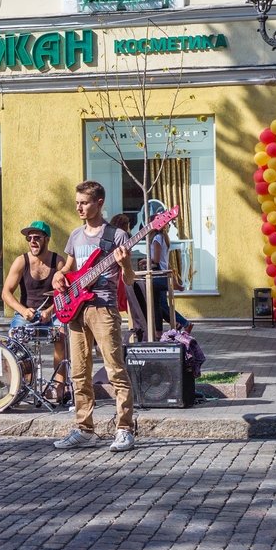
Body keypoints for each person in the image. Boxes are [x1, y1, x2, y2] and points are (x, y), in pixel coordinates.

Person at [53, 181, 137, 452]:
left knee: (115, 370)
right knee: (79, 372)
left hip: (104, 307)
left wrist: (124, 263)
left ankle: (124, 429)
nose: (79, 207)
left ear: (99, 202)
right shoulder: (76, 236)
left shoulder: (118, 236)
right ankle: (84, 428)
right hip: (76, 309)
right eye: (77, 202)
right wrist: (59, 276)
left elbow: (130, 279)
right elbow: (68, 269)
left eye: (85, 202)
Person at [1, 220, 68, 398]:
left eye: (37, 237)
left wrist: (51, 311)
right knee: (14, 340)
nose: (32, 241)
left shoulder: (58, 262)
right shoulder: (21, 261)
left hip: (51, 313)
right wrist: (23, 310)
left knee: (62, 333)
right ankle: (20, 385)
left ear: (47, 239)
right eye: (29, 238)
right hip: (27, 312)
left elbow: (67, 294)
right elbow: (6, 293)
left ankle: (59, 386)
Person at [134, 205, 189, 333]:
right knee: (160, 304)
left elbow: (157, 260)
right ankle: (179, 325)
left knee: (158, 305)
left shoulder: (157, 239)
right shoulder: (162, 238)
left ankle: (179, 324)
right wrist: (176, 282)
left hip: (158, 276)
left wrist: (144, 261)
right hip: (163, 275)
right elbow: (166, 262)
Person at [109, 213, 148, 342]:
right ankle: (133, 333)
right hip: (122, 275)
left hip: (112, 276)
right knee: (130, 305)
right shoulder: (122, 235)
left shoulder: (108, 234)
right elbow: (127, 257)